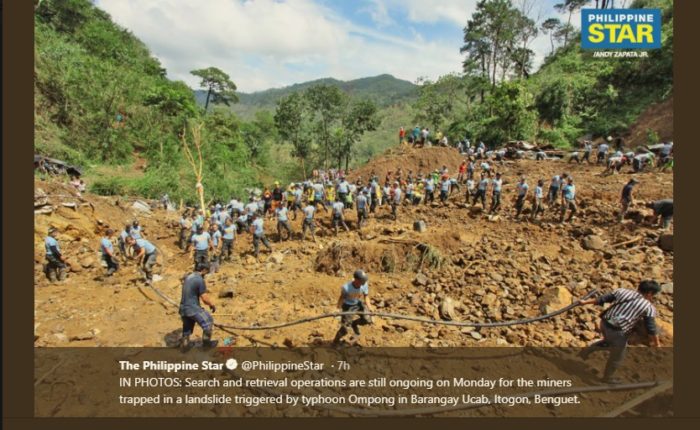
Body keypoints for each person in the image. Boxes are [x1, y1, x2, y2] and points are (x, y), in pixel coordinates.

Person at [577, 281, 662, 384]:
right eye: (653, 295)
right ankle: (608, 377)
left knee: (609, 341)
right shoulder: (648, 307)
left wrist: (584, 302)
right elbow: (651, 328)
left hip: (604, 323)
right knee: (618, 354)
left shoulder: (622, 291)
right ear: (649, 293)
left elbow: (602, 299)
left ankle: (585, 352)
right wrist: (657, 344)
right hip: (617, 331)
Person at [178, 262, 218, 350]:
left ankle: (185, 345)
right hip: (192, 308)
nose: (206, 274)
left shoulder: (189, 277)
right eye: (206, 272)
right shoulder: (199, 280)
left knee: (187, 325)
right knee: (208, 321)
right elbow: (204, 298)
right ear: (203, 270)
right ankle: (207, 345)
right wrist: (212, 304)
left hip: (183, 308)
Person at [332, 270, 373, 344]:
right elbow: (341, 298)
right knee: (345, 329)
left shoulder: (364, 285)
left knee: (367, 319)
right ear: (356, 280)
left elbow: (366, 296)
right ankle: (335, 341)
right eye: (362, 281)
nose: (363, 283)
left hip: (358, 304)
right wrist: (337, 309)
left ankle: (354, 323)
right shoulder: (346, 288)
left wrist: (370, 308)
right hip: (348, 307)